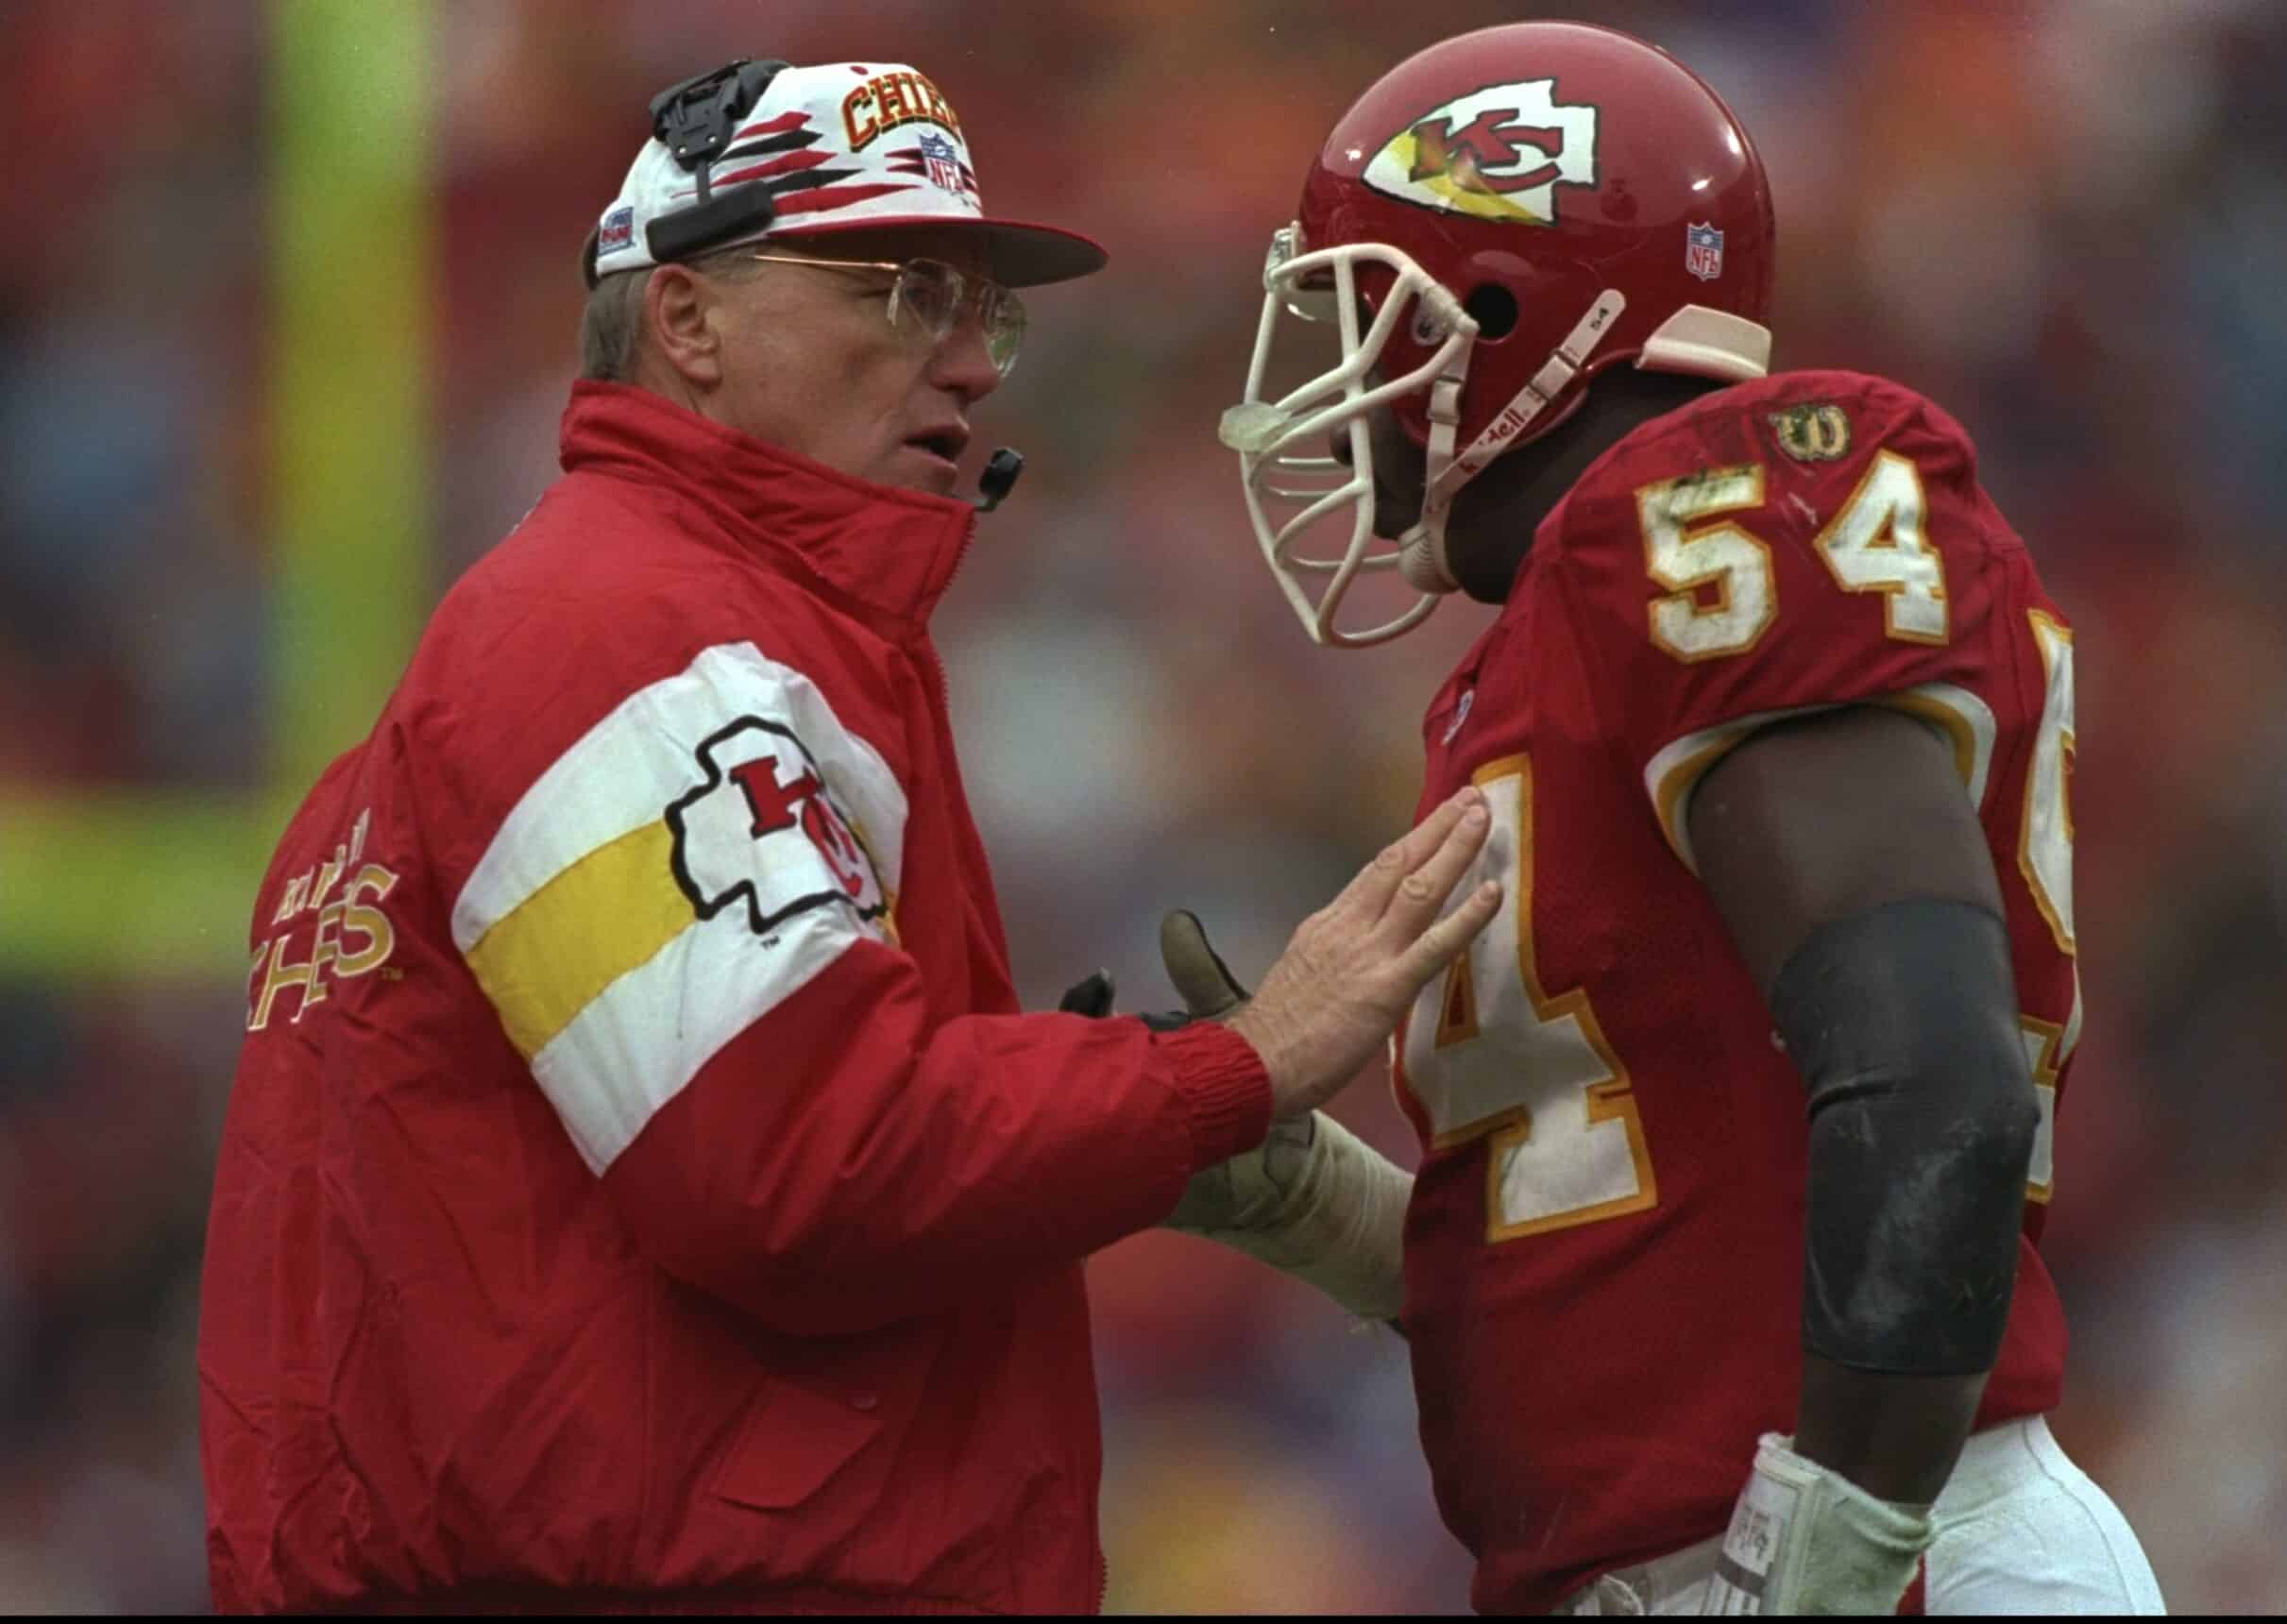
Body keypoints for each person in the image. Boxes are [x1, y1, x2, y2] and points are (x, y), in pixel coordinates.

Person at [196, 55, 1500, 1614]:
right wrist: (1240, 1062)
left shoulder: (667, 633)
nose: (969, 364)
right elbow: (794, 1167)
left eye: (979, 311)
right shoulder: (615, 629)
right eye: (898, 293)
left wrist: (1141, 1118)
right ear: (686, 321)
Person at [1209, 21, 2167, 1616]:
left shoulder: (1718, 517)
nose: (1342, 390)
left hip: (1874, 1549)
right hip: (1726, 1549)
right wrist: (1320, 1206)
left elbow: (1932, 1078)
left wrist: (1839, 1545)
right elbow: (1630, 1273)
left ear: (1505, 315)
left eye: (1371, 319)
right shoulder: (1552, 643)